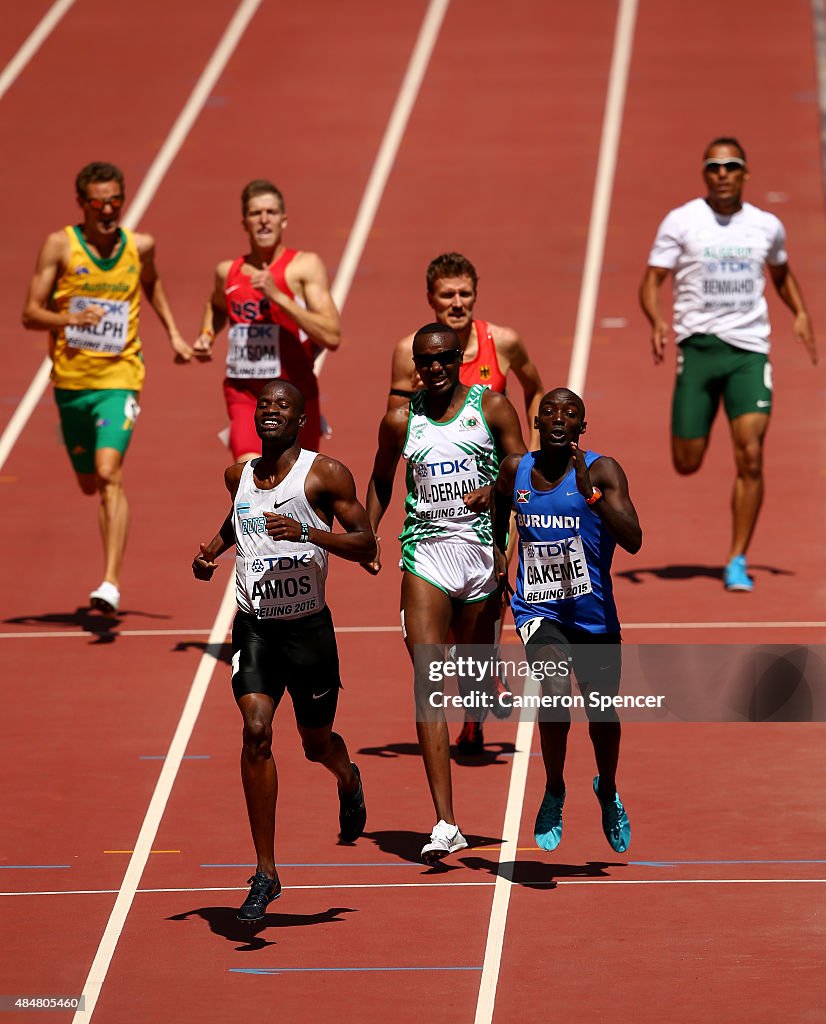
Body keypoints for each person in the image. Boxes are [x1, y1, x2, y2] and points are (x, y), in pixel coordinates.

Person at [192, 379, 375, 922]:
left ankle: (348, 777)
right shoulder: (238, 475)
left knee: (316, 744)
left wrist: (308, 533)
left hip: (309, 632)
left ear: (301, 421)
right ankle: (266, 872)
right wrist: (212, 550)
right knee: (255, 732)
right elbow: (239, 517)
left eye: (282, 407)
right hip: (254, 629)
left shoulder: (325, 475)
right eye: (264, 405)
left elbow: (366, 542)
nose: (270, 411)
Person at [364, 324, 526, 863]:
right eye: (423, 362)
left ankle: (483, 688)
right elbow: (382, 479)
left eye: (441, 360)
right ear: (415, 366)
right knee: (429, 679)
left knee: (474, 674)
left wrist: (498, 493)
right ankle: (445, 821)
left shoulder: (493, 408)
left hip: (481, 556)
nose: (432, 369)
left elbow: (523, 471)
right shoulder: (399, 420)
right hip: (425, 556)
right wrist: (368, 533)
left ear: (459, 359)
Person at [639, 137, 817, 592]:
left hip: (748, 353)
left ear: (745, 174)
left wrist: (799, 312)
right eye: (714, 167)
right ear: (705, 174)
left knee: (751, 455)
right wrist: (657, 319)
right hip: (698, 350)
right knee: (687, 461)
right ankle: (698, 422)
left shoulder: (765, 226)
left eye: (731, 166)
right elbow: (652, 280)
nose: (723, 174)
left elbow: (780, 273)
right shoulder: (681, 221)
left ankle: (736, 559)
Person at [389, 252, 544, 752]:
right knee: (444, 615)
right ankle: (479, 672)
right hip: (438, 497)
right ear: (431, 298)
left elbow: (534, 389)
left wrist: (529, 459)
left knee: (493, 588)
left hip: (494, 494)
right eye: (446, 295)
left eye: (464, 294)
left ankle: (475, 704)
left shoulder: (505, 342)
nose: (456, 303)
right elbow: (397, 421)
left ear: (475, 293)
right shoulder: (409, 353)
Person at [22, 161, 193, 614]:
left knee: (108, 473)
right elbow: (29, 313)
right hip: (71, 385)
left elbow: (152, 285)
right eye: (99, 202)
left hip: (120, 378)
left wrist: (174, 333)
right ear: (82, 204)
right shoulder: (60, 246)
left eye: (116, 200)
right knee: (87, 483)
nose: (108, 210)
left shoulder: (140, 246)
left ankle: (110, 583)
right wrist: (69, 319)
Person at [494, 388, 642, 853]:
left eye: (571, 414)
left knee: (603, 714)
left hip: (594, 616)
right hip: (539, 609)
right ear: (536, 421)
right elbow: (500, 508)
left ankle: (609, 788)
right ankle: (555, 787)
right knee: (554, 693)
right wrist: (500, 554)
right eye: (551, 412)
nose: (560, 419)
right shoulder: (514, 470)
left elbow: (635, 539)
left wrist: (591, 496)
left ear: (583, 427)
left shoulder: (602, 470)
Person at [193, 179, 341, 461]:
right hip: (247, 396)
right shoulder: (228, 272)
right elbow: (216, 305)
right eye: (255, 213)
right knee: (247, 478)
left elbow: (331, 335)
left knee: (298, 490)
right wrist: (206, 334)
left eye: (271, 213)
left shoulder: (304, 266)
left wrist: (279, 296)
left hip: (296, 395)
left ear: (283, 220)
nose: (263, 220)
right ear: (244, 222)